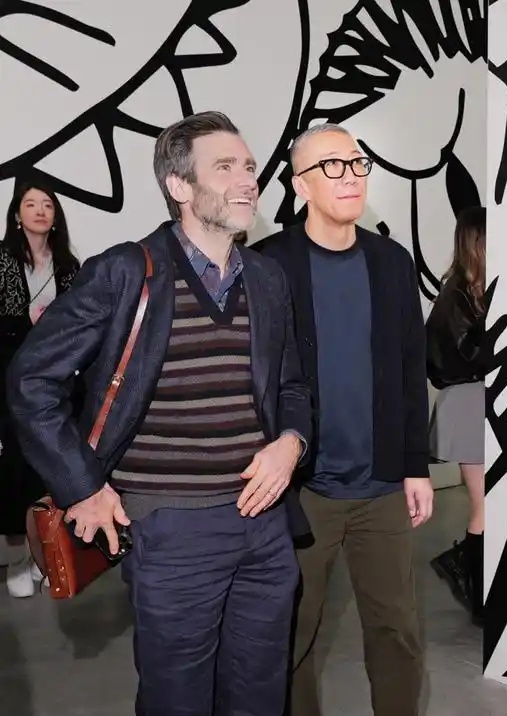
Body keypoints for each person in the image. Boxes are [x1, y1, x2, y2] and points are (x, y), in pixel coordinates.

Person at [6, 111, 313, 716]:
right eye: (224, 167)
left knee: (261, 696)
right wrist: (82, 486)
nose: (247, 180)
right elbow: (30, 380)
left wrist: (292, 444)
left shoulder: (267, 278)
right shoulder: (126, 272)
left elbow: (293, 386)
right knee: (179, 700)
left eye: (249, 166)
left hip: (266, 527)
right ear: (179, 186)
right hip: (170, 529)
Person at [256, 122, 433, 716]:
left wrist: (415, 466)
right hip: (303, 491)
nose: (351, 176)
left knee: (397, 632)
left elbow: (411, 370)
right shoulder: (270, 264)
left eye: (357, 163)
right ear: (300, 185)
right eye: (331, 165)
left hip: (381, 486)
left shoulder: (391, 262)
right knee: (293, 636)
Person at [0, 179, 80, 598]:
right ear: (17, 214)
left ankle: (47, 553)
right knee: (16, 468)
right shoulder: (2, 260)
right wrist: (27, 323)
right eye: (31, 204)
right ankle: (20, 557)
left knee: (52, 465)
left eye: (47, 205)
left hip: (57, 381)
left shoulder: (68, 265)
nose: (39, 211)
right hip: (10, 378)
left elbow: (82, 324)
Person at [426, 205, 487, 626]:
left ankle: (465, 568)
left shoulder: (469, 292)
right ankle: (480, 595)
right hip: (468, 403)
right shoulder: (456, 297)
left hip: (475, 401)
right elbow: (470, 355)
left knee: (489, 504)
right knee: (486, 505)